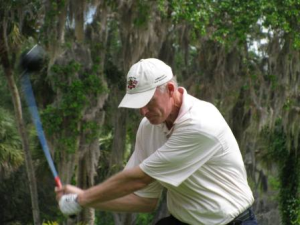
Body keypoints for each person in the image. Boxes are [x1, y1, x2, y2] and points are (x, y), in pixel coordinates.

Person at [56, 58, 258, 225]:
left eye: (148, 102)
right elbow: (143, 199)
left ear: (170, 89)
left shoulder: (201, 124)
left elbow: (139, 179)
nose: (142, 112)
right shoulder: (148, 126)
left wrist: (82, 199)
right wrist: (85, 198)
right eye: (137, 104)